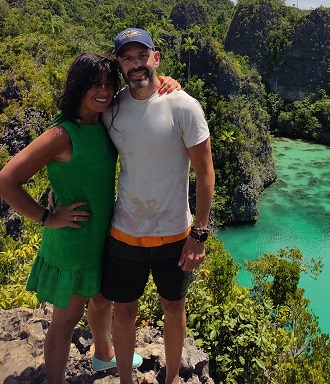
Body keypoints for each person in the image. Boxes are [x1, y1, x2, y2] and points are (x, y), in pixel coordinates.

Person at [0, 52, 178, 384]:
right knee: (65, 320)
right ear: (78, 86)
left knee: (102, 300)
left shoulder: (104, 119)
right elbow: (6, 180)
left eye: (109, 83)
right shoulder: (62, 134)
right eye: (94, 84)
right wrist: (46, 217)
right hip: (75, 239)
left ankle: (104, 355)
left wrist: (166, 82)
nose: (103, 91)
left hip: (103, 232)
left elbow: (141, 93)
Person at [100, 28, 215, 384]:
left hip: (175, 235)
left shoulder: (183, 106)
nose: (136, 64)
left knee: (174, 307)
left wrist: (199, 234)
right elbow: (80, 145)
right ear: (119, 64)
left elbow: (205, 173)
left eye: (142, 56)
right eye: (127, 58)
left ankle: (172, 378)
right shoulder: (111, 108)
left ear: (156, 58)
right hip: (124, 232)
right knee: (124, 311)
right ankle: (125, 379)